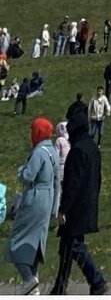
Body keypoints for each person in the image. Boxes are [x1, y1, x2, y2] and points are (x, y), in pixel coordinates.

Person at [51, 109, 107, 295]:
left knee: (73, 246)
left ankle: (96, 280)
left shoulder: (77, 150)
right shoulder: (92, 147)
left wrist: (63, 209)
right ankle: (59, 288)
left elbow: (71, 184)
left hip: (76, 207)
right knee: (67, 247)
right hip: (88, 202)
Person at [4, 117, 60, 295]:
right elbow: (57, 181)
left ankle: (28, 278)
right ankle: (33, 279)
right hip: (48, 198)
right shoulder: (53, 151)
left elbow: (28, 176)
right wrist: (54, 207)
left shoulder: (38, 153)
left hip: (35, 198)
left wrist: (20, 170)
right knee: (36, 241)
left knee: (16, 241)